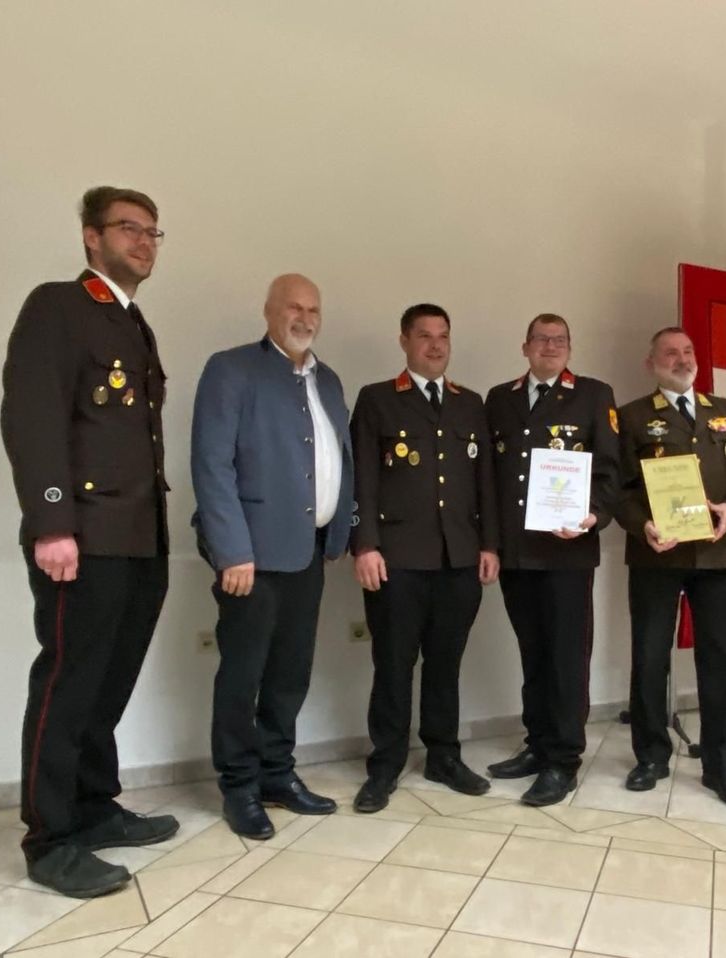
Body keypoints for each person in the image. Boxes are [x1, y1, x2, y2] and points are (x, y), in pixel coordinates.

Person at [1, 186, 178, 898]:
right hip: (83, 537)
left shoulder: (133, 322)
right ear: (90, 237)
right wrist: (51, 522)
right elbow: (32, 416)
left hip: (137, 537)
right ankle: (48, 838)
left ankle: (93, 805)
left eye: (153, 231)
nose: (143, 241)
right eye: (128, 228)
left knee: (109, 681)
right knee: (68, 684)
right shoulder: (57, 306)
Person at [191, 274, 352, 839]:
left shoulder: (328, 380)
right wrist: (231, 549)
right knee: (243, 673)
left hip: (309, 552)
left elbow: (339, 462)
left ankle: (277, 774)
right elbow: (212, 467)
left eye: (313, 309)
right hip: (250, 558)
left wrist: (339, 534)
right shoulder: (230, 369)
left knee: (290, 673)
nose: (304, 317)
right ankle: (239, 786)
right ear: (268, 311)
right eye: (293, 307)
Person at [350, 304, 500, 813]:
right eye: (424, 337)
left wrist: (490, 544)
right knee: (392, 665)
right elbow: (363, 478)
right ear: (404, 341)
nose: (435, 346)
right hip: (397, 559)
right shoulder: (376, 400)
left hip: (458, 557)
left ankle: (443, 755)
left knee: (446, 664)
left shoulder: (469, 403)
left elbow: (486, 484)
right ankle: (386, 764)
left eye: (442, 337)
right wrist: (365, 545)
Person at [615, 327, 726, 807]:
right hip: (657, 554)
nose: (681, 360)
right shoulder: (632, 417)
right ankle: (651, 756)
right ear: (651, 363)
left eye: (687, 351)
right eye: (670, 353)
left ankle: (722, 768)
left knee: (721, 661)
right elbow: (618, 490)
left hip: (719, 555)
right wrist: (643, 527)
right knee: (649, 657)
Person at [483, 314, 619, 806]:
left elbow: (609, 470)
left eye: (560, 339)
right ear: (525, 346)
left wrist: (593, 515)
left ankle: (563, 759)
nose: (551, 346)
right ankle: (537, 744)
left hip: (567, 550)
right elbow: (493, 478)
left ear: (570, 347)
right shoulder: (499, 399)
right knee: (534, 655)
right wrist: (492, 545)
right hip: (518, 554)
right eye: (541, 339)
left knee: (566, 658)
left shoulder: (593, 394)